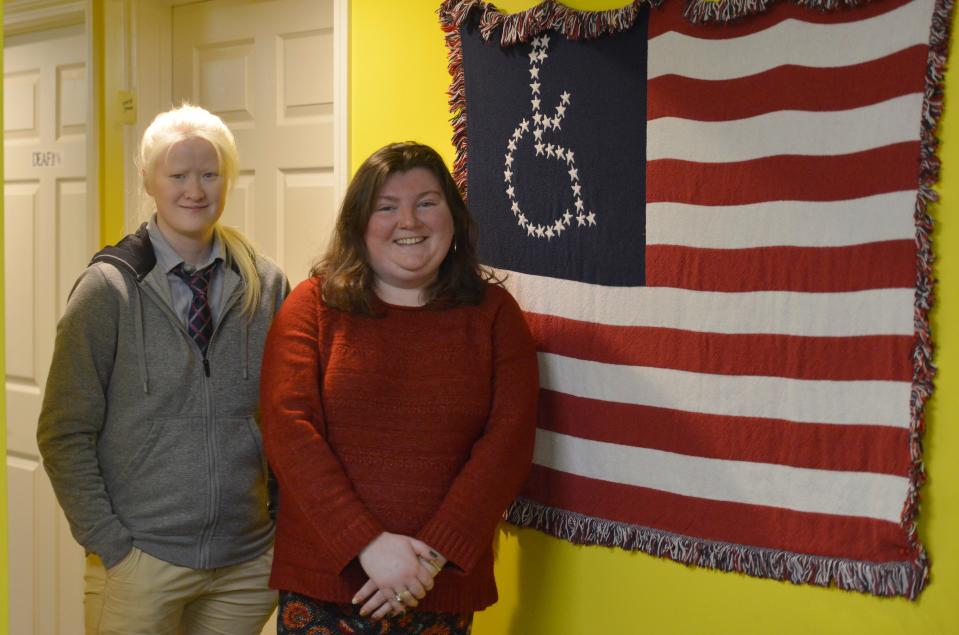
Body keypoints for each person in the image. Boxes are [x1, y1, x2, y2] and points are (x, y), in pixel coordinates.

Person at [260, 142, 539, 634]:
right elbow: (290, 432)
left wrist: (428, 558)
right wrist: (367, 545)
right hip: (326, 584)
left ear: (452, 217)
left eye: (427, 203)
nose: (409, 222)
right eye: (386, 207)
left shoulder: (495, 315)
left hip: (439, 584)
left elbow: (508, 443)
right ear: (358, 224)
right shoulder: (312, 307)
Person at [37, 104, 289, 635]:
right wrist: (111, 545)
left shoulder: (266, 285)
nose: (194, 190)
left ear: (227, 179)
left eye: (209, 174)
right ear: (149, 181)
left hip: (244, 566)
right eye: (177, 175)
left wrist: (279, 529)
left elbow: (289, 415)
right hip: (141, 563)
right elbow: (63, 432)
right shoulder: (107, 290)